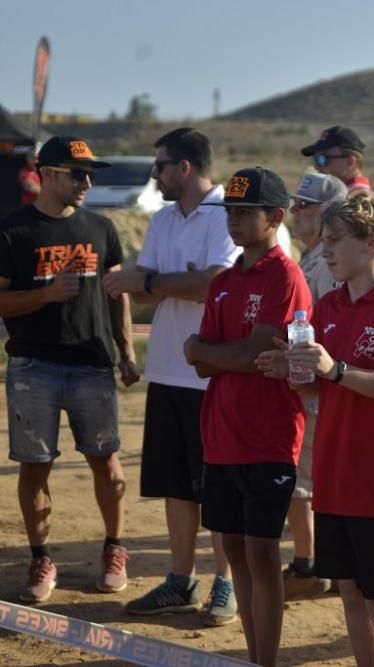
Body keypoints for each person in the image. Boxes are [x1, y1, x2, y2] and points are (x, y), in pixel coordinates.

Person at [257, 192, 374, 667]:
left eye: (334, 240)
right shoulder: (326, 307)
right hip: (335, 475)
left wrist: (334, 370)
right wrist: (292, 373)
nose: (324, 249)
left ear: (372, 241)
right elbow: (319, 389)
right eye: (323, 240)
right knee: (349, 592)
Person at [102, 128, 239, 625]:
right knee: (177, 486)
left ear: (184, 167)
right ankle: (181, 580)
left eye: (159, 166)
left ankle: (227, 582)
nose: (154, 174)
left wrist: (156, 280)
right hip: (167, 370)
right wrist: (157, 282)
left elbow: (213, 284)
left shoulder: (228, 214)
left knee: (218, 487)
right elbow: (141, 293)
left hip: (213, 374)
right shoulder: (162, 218)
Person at [0, 135, 139, 603]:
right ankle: (41, 557)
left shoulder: (102, 228)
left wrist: (127, 351)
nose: (87, 181)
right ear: (48, 174)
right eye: (77, 173)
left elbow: (117, 294)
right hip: (33, 366)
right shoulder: (12, 231)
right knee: (35, 467)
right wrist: (43, 295)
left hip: (92, 366)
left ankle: (114, 548)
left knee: (107, 462)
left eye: (90, 174)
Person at [185, 166, 311, 667]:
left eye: (244, 212)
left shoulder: (285, 275)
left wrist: (207, 350)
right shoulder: (223, 281)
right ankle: (253, 655)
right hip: (221, 435)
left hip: (269, 437)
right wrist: (211, 353)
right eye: (229, 212)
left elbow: (255, 353)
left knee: (261, 557)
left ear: (275, 217)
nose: (233, 221)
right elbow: (199, 363)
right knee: (235, 556)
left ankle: (267, 660)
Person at [282, 172, 347, 600]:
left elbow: (334, 327)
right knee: (305, 481)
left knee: (305, 481)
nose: (295, 212)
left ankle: (313, 565)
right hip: (310, 381)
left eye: (304, 205)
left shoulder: (329, 261)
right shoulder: (314, 257)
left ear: (327, 213)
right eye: (295, 204)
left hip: (320, 386)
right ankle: (316, 562)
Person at [301, 126, 372, 196]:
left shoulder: (356, 200)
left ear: (350, 162)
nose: (316, 167)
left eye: (323, 159)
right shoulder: (340, 195)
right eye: (315, 159)